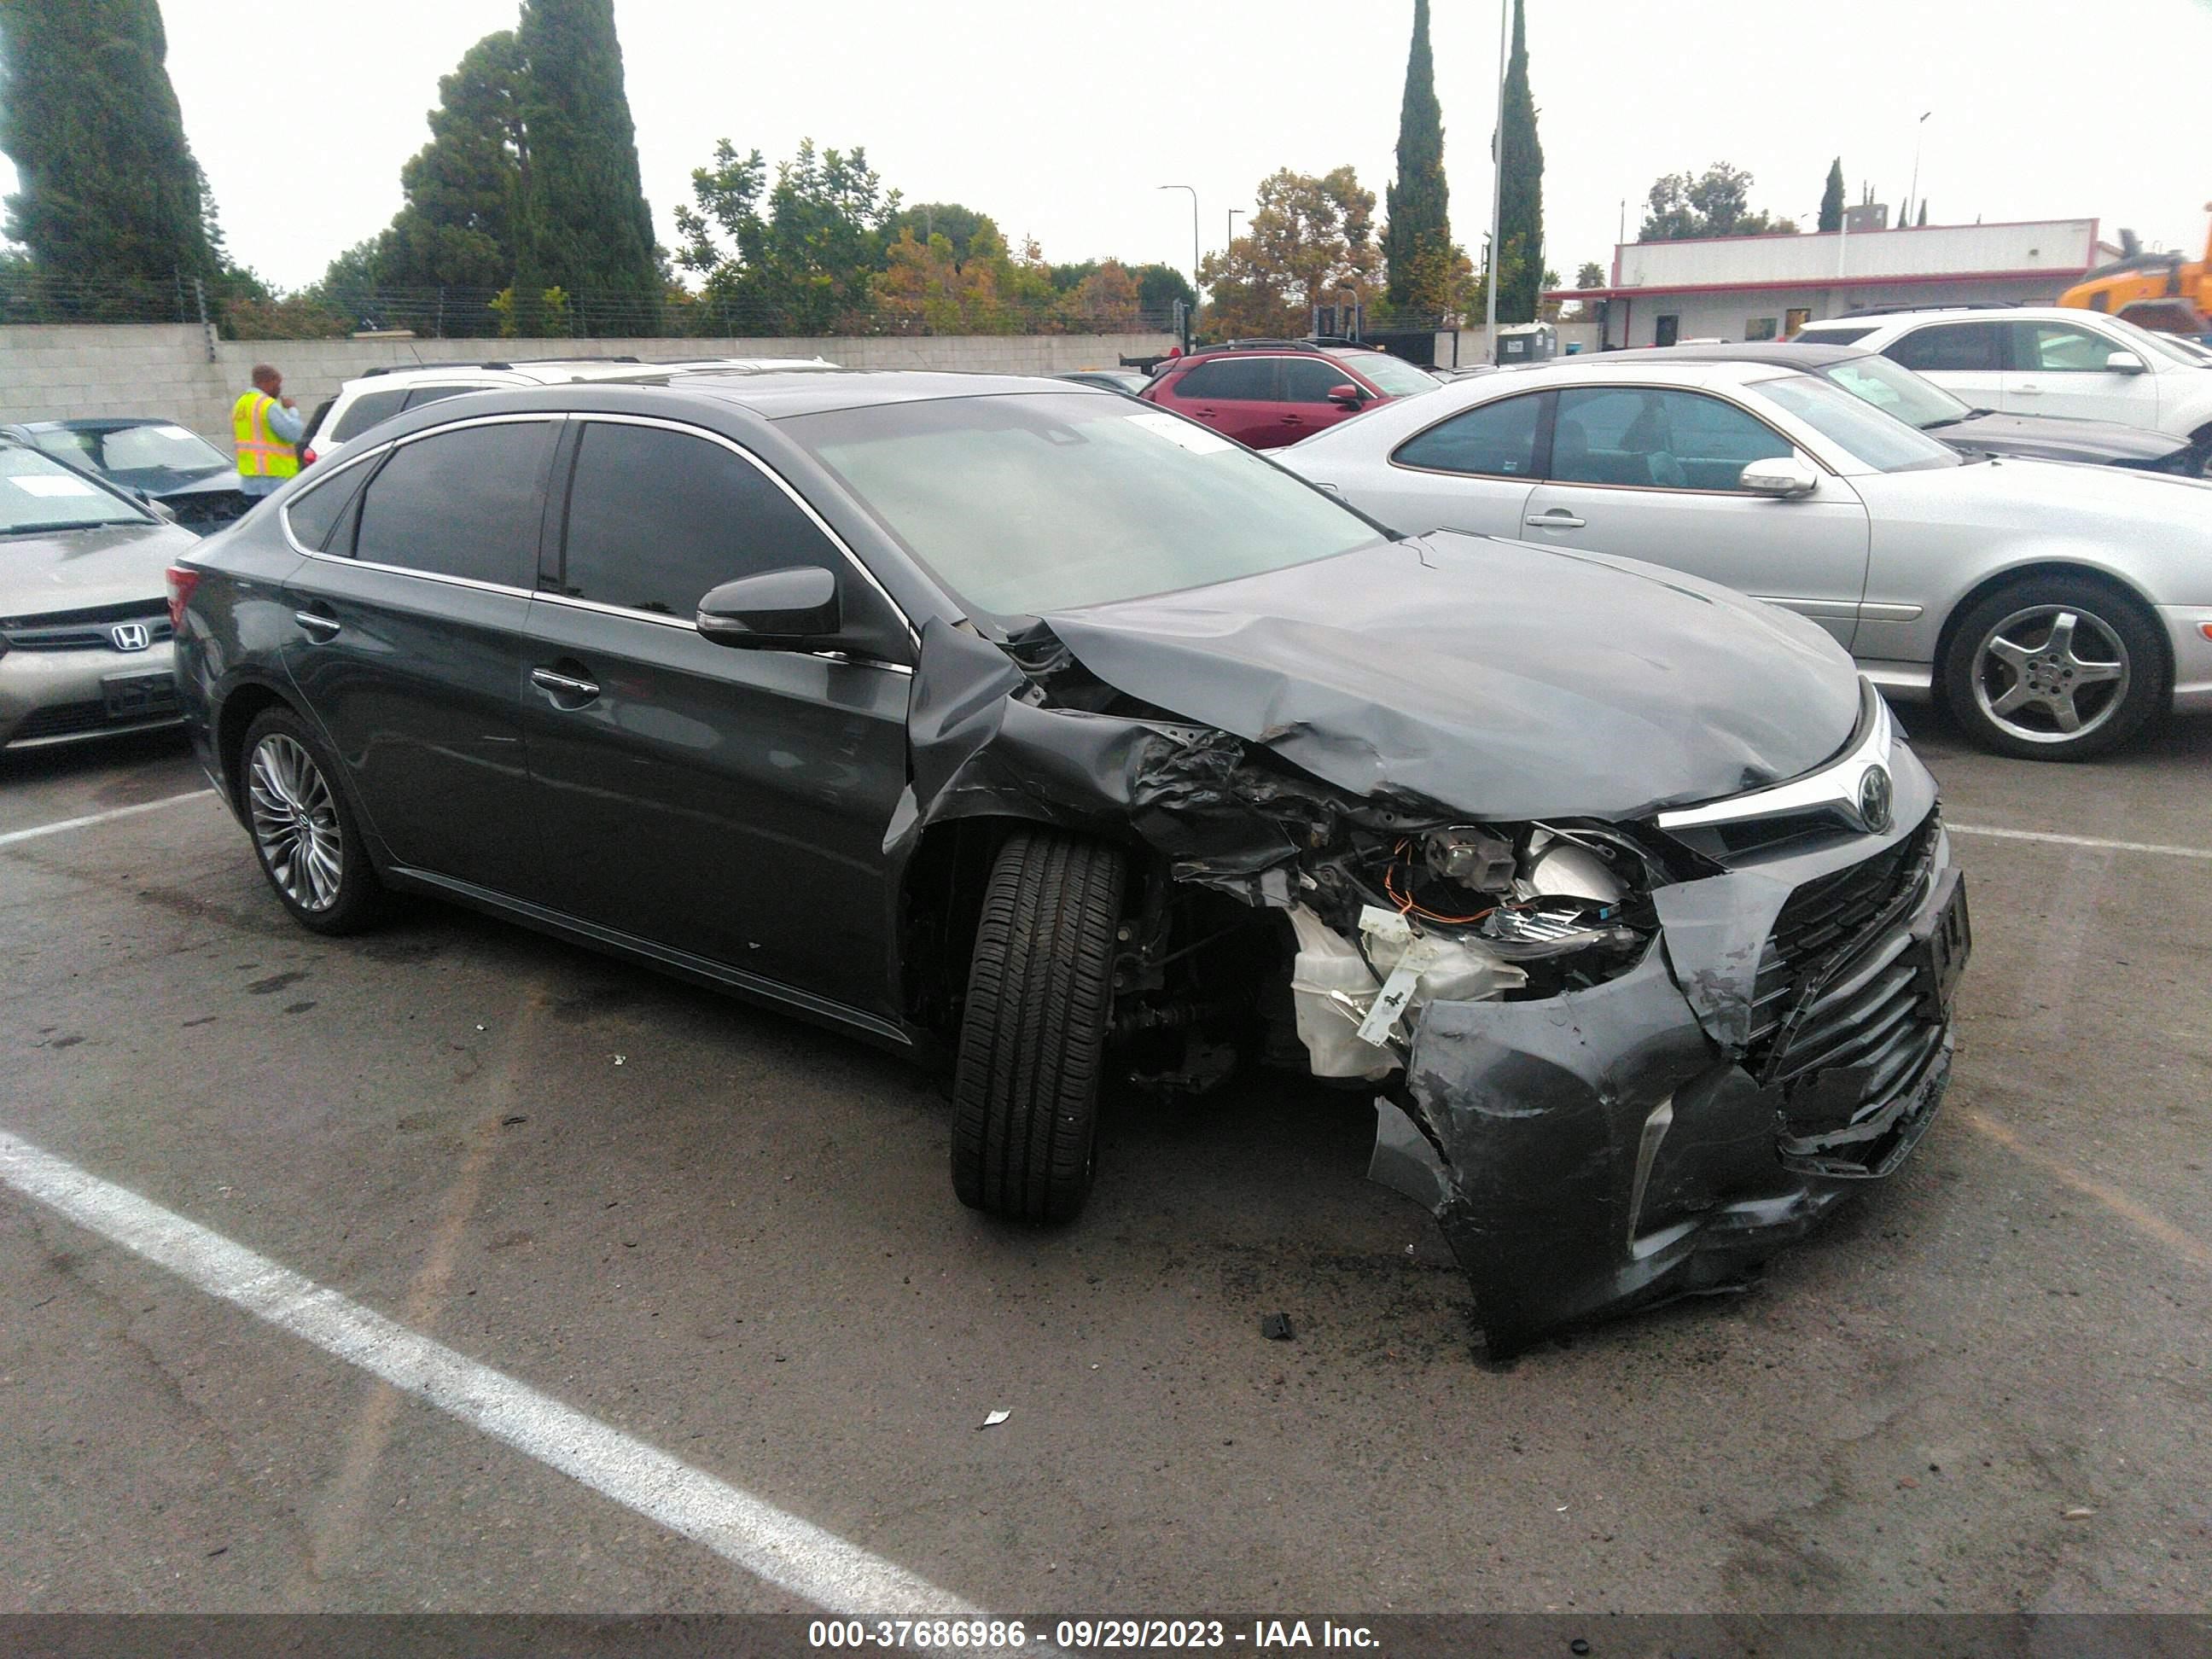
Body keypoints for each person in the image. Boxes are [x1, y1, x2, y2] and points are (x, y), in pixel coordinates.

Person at [232, 364, 305, 498]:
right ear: (267, 382)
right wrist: (292, 410)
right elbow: (293, 434)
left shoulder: (241, 403)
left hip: (250, 479)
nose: (279, 389)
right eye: (277, 384)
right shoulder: (267, 404)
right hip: (274, 478)